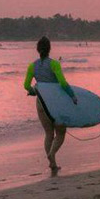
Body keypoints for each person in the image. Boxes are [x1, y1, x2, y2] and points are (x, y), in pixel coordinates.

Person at [23, 36, 78, 174]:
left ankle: (52, 164)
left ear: (37, 49)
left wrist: (33, 92)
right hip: (55, 103)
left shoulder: (32, 66)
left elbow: (26, 85)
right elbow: (63, 83)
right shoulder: (54, 64)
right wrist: (72, 95)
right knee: (60, 132)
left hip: (41, 103)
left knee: (48, 133)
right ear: (50, 49)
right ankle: (52, 153)